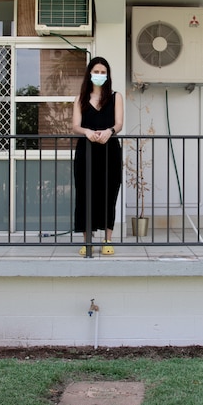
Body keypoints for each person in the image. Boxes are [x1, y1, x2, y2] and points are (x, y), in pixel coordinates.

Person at [72, 57, 124, 256]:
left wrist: (110, 131)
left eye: (103, 72)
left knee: (110, 193)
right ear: (89, 73)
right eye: (96, 71)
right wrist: (86, 132)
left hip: (109, 149)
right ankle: (87, 242)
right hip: (86, 150)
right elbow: (75, 125)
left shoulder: (115, 96)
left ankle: (107, 239)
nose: (100, 75)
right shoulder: (81, 98)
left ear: (108, 75)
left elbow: (119, 123)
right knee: (85, 194)